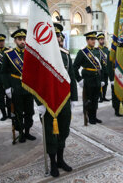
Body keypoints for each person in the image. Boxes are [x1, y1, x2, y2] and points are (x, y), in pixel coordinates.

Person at [36, 23, 78, 177]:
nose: (56, 38)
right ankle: (53, 163)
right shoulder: (40, 56)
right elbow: (35, 81)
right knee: (50, 133)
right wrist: (38, 102)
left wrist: (73, 98)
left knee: (64, 131)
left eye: (58, 35)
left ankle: (60, 159)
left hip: (64, 100)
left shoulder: (65, 54)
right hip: (48, 102)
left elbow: (71, 77)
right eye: (53, 35)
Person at [2, 29, 36, 143]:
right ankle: (21, 133)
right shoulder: (9, 54)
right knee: (18, 112)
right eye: (20, 39)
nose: (22, 41)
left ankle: (27, 132)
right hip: (16, 87)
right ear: (15, 40)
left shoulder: (31, 53)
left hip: (29, 88)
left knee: (29, 112)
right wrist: (7, 87)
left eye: (24, 39)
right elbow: (4, 72)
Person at [73, 31, 104, 125]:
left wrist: (102, 79)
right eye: (91, 39)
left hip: (97, 79)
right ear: (87, 40)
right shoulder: (82, 52)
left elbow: (100, 66)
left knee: (95, 99)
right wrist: (79, 80)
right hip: (88, 79)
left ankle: (94, 116)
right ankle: (90, 118)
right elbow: (75, 67)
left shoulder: (97, 51)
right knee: (89, 99)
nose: (93, 41)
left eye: (94, 39)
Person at [97, 33, 110, 102]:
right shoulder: (97, 50)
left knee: (106, 84)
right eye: (100, 39)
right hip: (100, 70)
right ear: (98, 41)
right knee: (100, 84)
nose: (102, 41)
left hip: (106, 69)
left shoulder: (106, 49)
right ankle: (100, 97)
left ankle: (104, 96)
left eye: (103, 39)